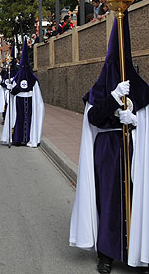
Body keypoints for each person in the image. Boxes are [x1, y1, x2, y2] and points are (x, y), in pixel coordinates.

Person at [70, 15, 149, 274]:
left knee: (138, 197)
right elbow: (94, 118)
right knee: (109, 198)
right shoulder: (100, 90)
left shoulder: (139, 88)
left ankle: (138, 251)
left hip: (134, 148)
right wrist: (114, 99)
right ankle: (107, 253)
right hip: (107, 150)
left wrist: (136, 120)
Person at [1, 41, 45, 147]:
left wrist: (12, 89)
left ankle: (21, 138)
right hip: (21, 101)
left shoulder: (26, 78)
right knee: (20, 119)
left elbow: (18, 90)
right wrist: (11, 88)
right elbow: (14, 90)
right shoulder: (29, 78)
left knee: (24, 118)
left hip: (27, 100)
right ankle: (18, 138)